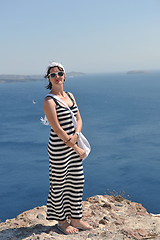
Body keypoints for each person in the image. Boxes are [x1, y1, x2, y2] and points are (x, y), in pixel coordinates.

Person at [43, 62, 92, 235]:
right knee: (59, 184)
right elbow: (57, 129)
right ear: (48, 79)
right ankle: (62, 222)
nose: (57, 77)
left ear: (64, 75)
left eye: (60, 73)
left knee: (77, 181)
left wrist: (77, 136)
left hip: (73, 142)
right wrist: (76, 148)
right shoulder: (49, 101)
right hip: (59, 149)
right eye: (53, 75)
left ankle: (76, 219)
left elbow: (79, 119)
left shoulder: (70, 95)